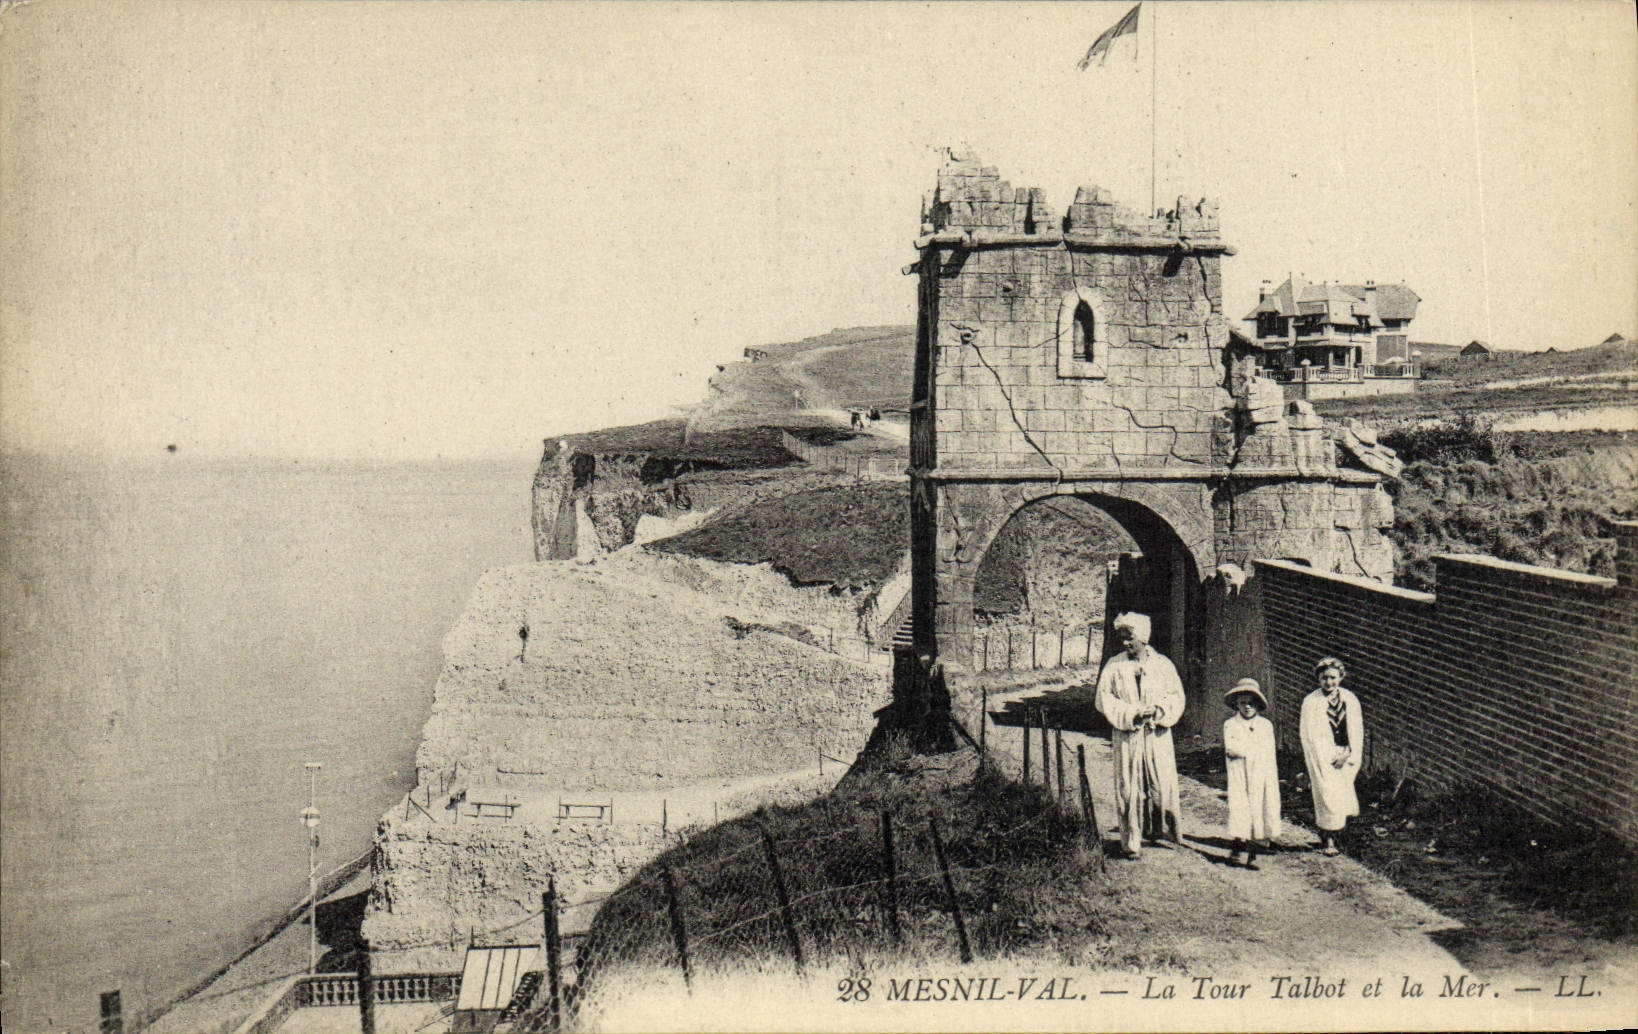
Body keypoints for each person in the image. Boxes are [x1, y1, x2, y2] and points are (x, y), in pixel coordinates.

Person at [1094, 612, 1186, 858]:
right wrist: (1131, 713)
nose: (1125, 643)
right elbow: (1103, 699)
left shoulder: (1163, 665)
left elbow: (1176, 696)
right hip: (1128, 734)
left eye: (1130, 638)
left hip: (1156, 733)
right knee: (1129, 786)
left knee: (1161, 783)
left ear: (1143, 638)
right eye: (1122, 638)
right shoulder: (1114, 666)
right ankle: (1132, 840)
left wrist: (1158, 710)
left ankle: (1163, 831)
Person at [1299, 657, 1364, 856]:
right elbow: (1308, 734)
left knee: (1341, 796)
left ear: (1341, 677)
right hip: (1323, 756)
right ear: (1318, 679)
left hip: (1344, 753)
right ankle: (1328, 840)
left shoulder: (1349, 699)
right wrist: (1323, 758)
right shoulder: (1311, 702)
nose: (1329, 682)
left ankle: (1339, 836)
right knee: (1326, 795)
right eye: (1324, 678)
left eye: (1333, 678)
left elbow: (1357, 729)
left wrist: (1347, 753)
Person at [1222, 678, 1280, 868]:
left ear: (1258, 705)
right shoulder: (1231, 724)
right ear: (1236, 704)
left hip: (1260, 774)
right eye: (1243, 703)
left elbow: (1266, 751)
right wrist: (1249, 751)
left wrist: (1246, 751)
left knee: (1258, 808)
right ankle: (1238, 846)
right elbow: (1231, 749)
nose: (1247, 707)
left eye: (1251, 703)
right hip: (1239, 773)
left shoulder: (1265, 725)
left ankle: (1255, 852)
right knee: (1240, 807)